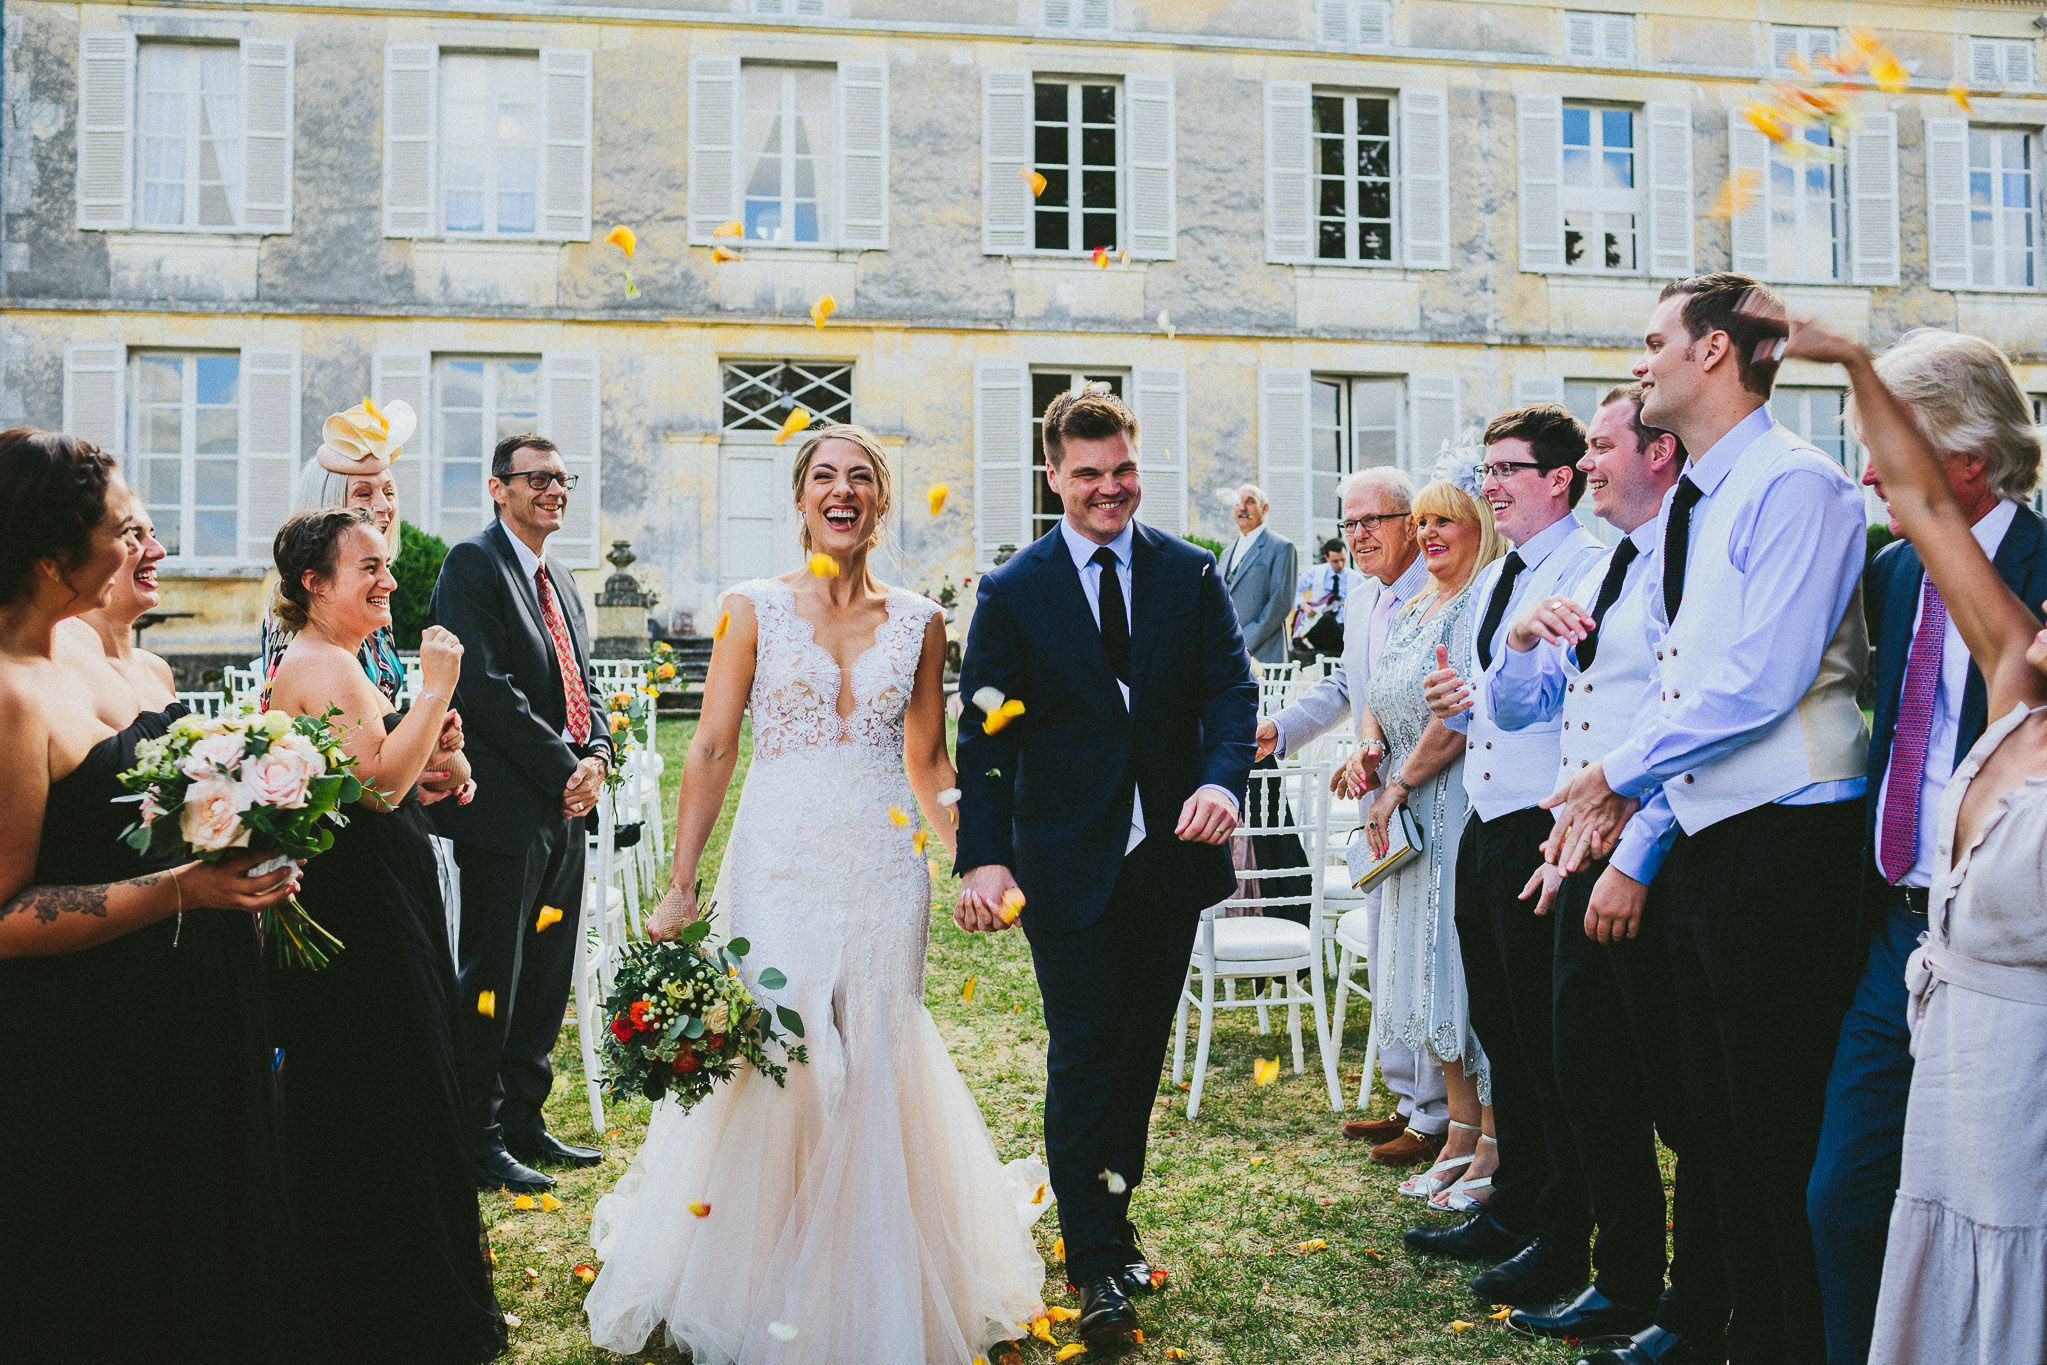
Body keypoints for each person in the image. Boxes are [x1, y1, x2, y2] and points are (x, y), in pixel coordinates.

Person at [584, 426, 1048, 1363]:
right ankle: (754, 1266)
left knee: (873, 1038)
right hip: (778, 853)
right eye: (825, 477)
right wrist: (681, 887)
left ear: (879, 501)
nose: (843, 491)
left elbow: (927, 758)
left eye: (862, 478)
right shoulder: (749, 607)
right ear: (799, 499)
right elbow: (712, 747)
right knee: (781, 1042)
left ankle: (868, 1268)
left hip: (880, 863)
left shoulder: (920, 618)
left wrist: (974, 860)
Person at [1546, 275, 1871, 1365]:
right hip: (1708, 840)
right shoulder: (1699, 496)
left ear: (1717, 353)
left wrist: (1613, 777)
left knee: (1776, 1127)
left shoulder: (1797, 486)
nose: (1641, 362)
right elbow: (1685, 683)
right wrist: (1638, 815)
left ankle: (1793, 1342)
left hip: (1788, 848)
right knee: (1716, 1120)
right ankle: (1732, 1327)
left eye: (1655, 342)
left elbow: (1758, 682)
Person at [954, 389, 1256, 1349]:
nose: (1109, 489)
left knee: (1137, 1054)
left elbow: (1230, 691)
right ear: (1053, 476)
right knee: (1085, 1054)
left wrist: (1221, 782)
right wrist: (984, 856)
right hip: (1065, 861)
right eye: (1087, 474)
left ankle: (1113, 1225)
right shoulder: (1013, 589)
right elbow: (986, 737)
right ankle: (1092, 1265)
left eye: (1121, 470)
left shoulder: (1189, 571)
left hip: (1167, 860)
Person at [1773, 316, 2047, 1365]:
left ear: (1964, 463)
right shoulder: (1893, 576)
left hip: (2014, 953)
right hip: (1898, 935)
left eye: (1881, 443)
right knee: (1843, 1198)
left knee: (1996, 1226)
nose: (1861, 471)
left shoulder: (2035, 574)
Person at [0, 428, 300, 1361]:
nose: (140, 545)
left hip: (185, 1021)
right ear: (53, 558)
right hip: (89, 1048)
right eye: (120, 530)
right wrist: (181, 888)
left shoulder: (92, 655)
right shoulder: (10, 694)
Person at [1482, 387, 1729, 1363]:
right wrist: (1513, 645)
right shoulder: (1610, 571)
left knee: (1674, 1096)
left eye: (1601, 449)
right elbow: (1529, 708)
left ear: (1657, 456)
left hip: (1647, 860)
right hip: (1580, 857)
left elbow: (1693, 716)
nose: (1587, 467)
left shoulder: (1681, 561)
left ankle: (1695, 1299)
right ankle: (1623, 1280)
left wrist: (1629, 848)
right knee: (1586, 1075)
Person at [266, 507, 505, 1364]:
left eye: (387, 566)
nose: (389, 581)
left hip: (384, 890)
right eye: (368, 567)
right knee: (386, 1089)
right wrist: (437, 686)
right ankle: (390, 1310)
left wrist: (445, 753)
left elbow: (410, 777)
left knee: (412, 1075)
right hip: (355, 913)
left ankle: (409, 1291)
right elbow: (375, 786)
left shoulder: (347, 658)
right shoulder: (316, 662)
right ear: (314, 584)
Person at [1410, 406, 1604, 1309]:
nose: (1489, 484)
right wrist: (1455, 697)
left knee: (1546, 1034)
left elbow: (1561, 701)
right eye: (1485, 469)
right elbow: (1490, 704)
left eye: (1506, 469)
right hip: (1485, 823)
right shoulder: (1497, 577)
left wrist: (1495, 688)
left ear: (1557, 477)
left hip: (1544, 821)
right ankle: (1513, 1197)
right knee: (1500, 1024)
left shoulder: (1592, 565)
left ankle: (1560, 1221)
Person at [430, 432, 613, 1193]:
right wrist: (564, 765)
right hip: (504, 811)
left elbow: (584, 681)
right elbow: (486, 689)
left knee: (544, 973)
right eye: (538, 478)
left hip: (564, 808)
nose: (554, 490)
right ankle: (474, 1134)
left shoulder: (561, 577)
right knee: (492, 976)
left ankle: (524, 1122)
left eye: (563, 479)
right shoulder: (472, 564)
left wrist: (598, 753)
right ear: (497, 488)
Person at [1258, 467, 1449, 1158]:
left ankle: (1438, 1114)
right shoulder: (1366, 598)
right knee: (1389, 948)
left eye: (1374, 520)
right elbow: (1345, 686)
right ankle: (1409, 1099)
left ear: (1411, 521)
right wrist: (1276, 730)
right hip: (1378, 801)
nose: (1359, 534)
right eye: (1349, 523)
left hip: (1430, 790)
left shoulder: (1439, 594)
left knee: (1427, 954)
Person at [1353, 476, 1505, 1202]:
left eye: (1446, 519)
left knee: (1465, 974)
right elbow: (1382, 692)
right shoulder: (1417, 604)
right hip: (1409, 815)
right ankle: (1456, 1131)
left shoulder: (1480, 602)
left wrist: (1398, 783)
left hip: (1456, 803)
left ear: (1479, 523)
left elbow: (1455, 718)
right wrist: (1369, 744)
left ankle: (1490, 1141)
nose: (1432, 532)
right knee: (1427, 972)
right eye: (1423, 521)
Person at [262, 399, 413, 704]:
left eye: (388, 491)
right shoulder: (302, 601)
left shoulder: (369, 588)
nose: (384, 506)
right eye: (363, 493)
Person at [59, 491, 178, 713]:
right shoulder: (63, 675)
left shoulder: (157, 670)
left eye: (153, 534)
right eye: (132, 536)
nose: (159, 551)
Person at [1222, 483, 1298, 665]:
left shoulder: (1281, 548)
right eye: (1238, 503)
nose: (1242, 508)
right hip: (1226, 653)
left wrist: (1241, 641)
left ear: (1265, 508)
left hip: (1263, 654)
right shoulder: (1226, 554)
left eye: (1250, 502)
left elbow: (1280, 604)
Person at [1291, 537, 1362, 661]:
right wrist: (1304, 605)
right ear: (1326, 558)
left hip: (1345, 628)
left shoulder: (1356, 579)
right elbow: (1293, 589)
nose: (1340, 564)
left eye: (1343, 560)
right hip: (1319, 626)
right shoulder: (1315, 572)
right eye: (1335, 561)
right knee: (1325, 621)